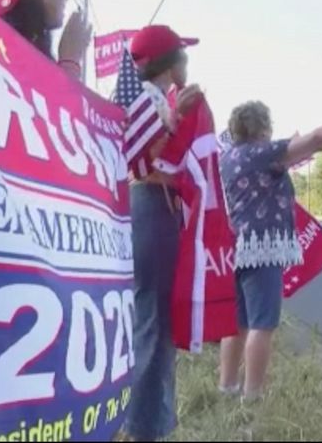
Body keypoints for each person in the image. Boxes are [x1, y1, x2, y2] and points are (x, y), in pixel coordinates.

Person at [218, 101, 322, 401]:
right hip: (263, 249)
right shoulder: (264, 153)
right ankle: (252, 396)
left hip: (237, 248)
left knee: (238, 322)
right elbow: (319, 139)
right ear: (263, 128)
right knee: (262, 324)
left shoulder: (229, 157)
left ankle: (227, 386)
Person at [121, 24, 202, 441]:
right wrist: (174, 122)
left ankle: (151, 421)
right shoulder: (148, 100)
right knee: (153, 317)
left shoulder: (155, 98)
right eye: (183, 54)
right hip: (151, 210)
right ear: (169, 61)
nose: (188, 63)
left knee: (157, 317)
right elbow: (142, 162)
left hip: (154, 209)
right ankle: (145, 427)